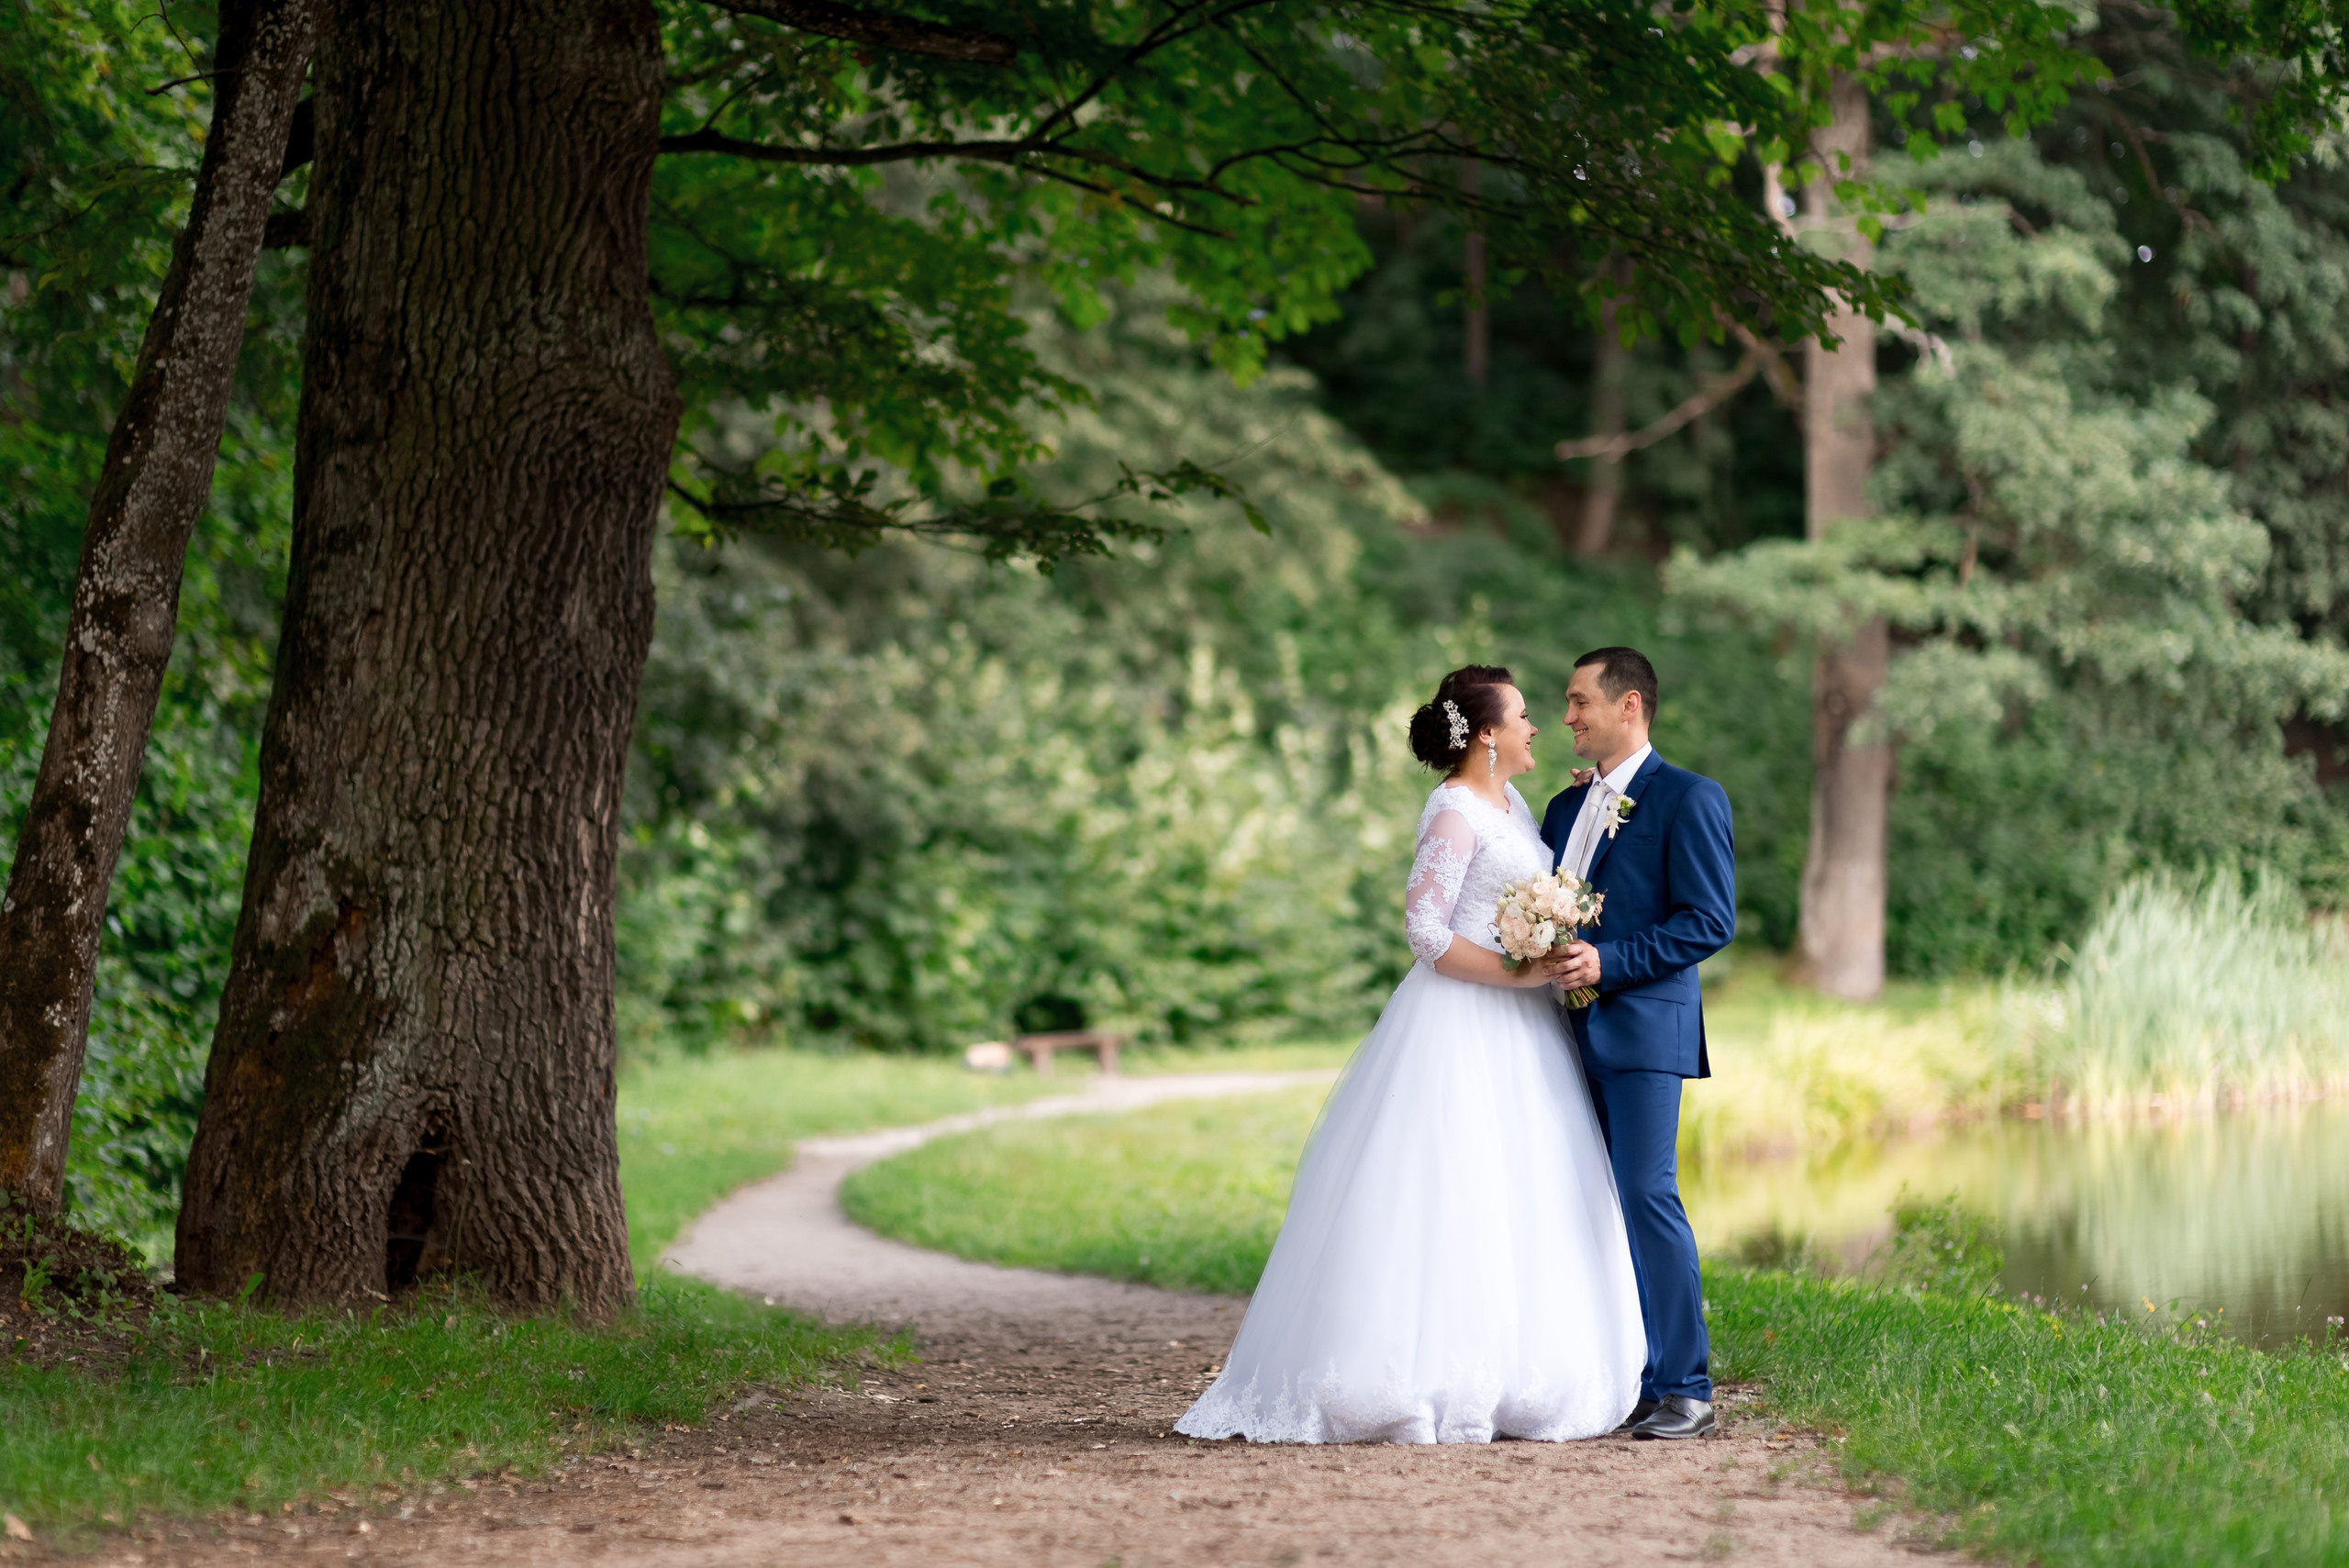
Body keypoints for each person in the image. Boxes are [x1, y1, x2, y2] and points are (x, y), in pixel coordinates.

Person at [1176, 665, 1643, 1445]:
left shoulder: (1515, 801)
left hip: (1526, 1032)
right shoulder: (1455, 810)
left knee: (1520, 1190)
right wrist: (1516, 970)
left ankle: (1520, 1368)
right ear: (1488, 733)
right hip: (1463, 1021)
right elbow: (1427, 932)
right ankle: (1421, 1375)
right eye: (1525, 715)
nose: (1538, 726)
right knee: (1449, 1187)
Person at [1542, 647, 1736, 1440]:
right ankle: (1627, 1377)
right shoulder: (1560, 809)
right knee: (1587, 1203)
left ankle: (1686, 1386)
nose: (1567, 716)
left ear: (1630, 706)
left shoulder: (1690, 797)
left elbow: (1708, 919)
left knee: (1648, 1197)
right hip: (1561, 1035)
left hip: (1645, 1029)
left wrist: (1609, 961)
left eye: (1580, 700)